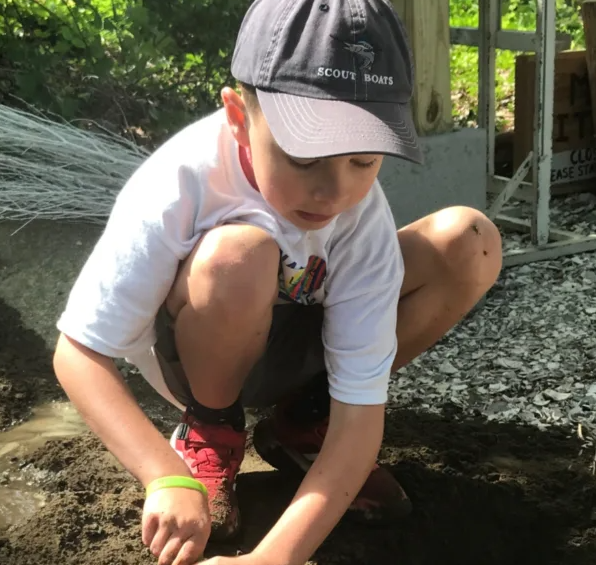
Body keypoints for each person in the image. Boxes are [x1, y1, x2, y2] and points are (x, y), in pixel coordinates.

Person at [52, 0, 503, 563]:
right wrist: (163, 478)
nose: (332, 193)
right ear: (240, 117)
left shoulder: (359, 219)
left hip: (297, 346)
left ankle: (304, 422)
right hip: (208, 357)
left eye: (363, 162)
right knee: (240, 254)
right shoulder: (182, 182)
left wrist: (274, 558)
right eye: (304, 157)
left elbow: (362, 420)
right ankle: (211, 436)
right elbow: (78, 353)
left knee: (470, 239)